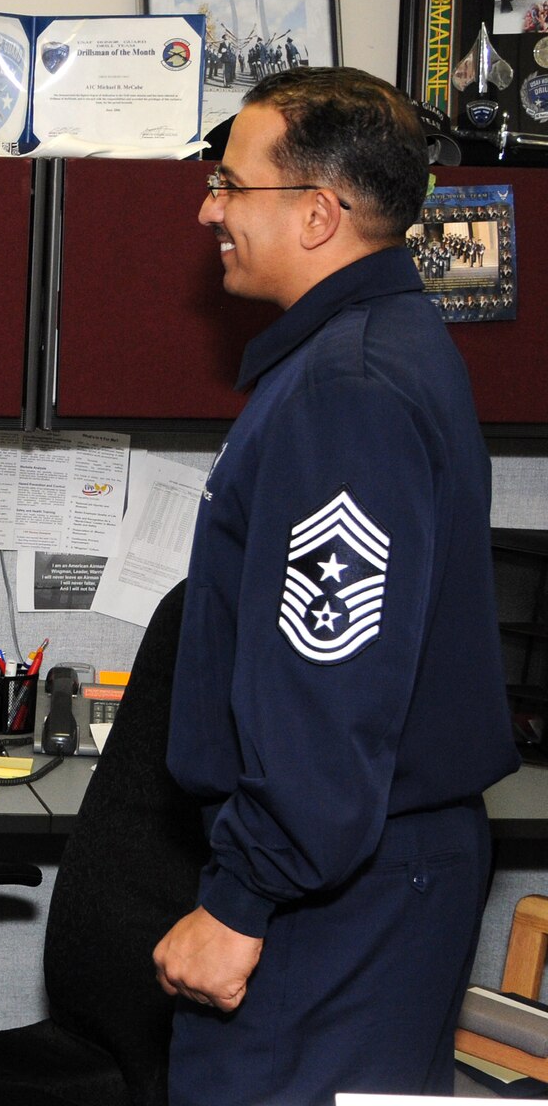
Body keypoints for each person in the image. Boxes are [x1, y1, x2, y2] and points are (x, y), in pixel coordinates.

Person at [153, 66, 516, 1104]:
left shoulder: (344, 389)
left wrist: (239, 899)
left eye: (228, 185)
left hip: (339, 889)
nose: (205, 208)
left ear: (315, 213)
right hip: (368, 868)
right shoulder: (369, 353)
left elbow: (330, 687)